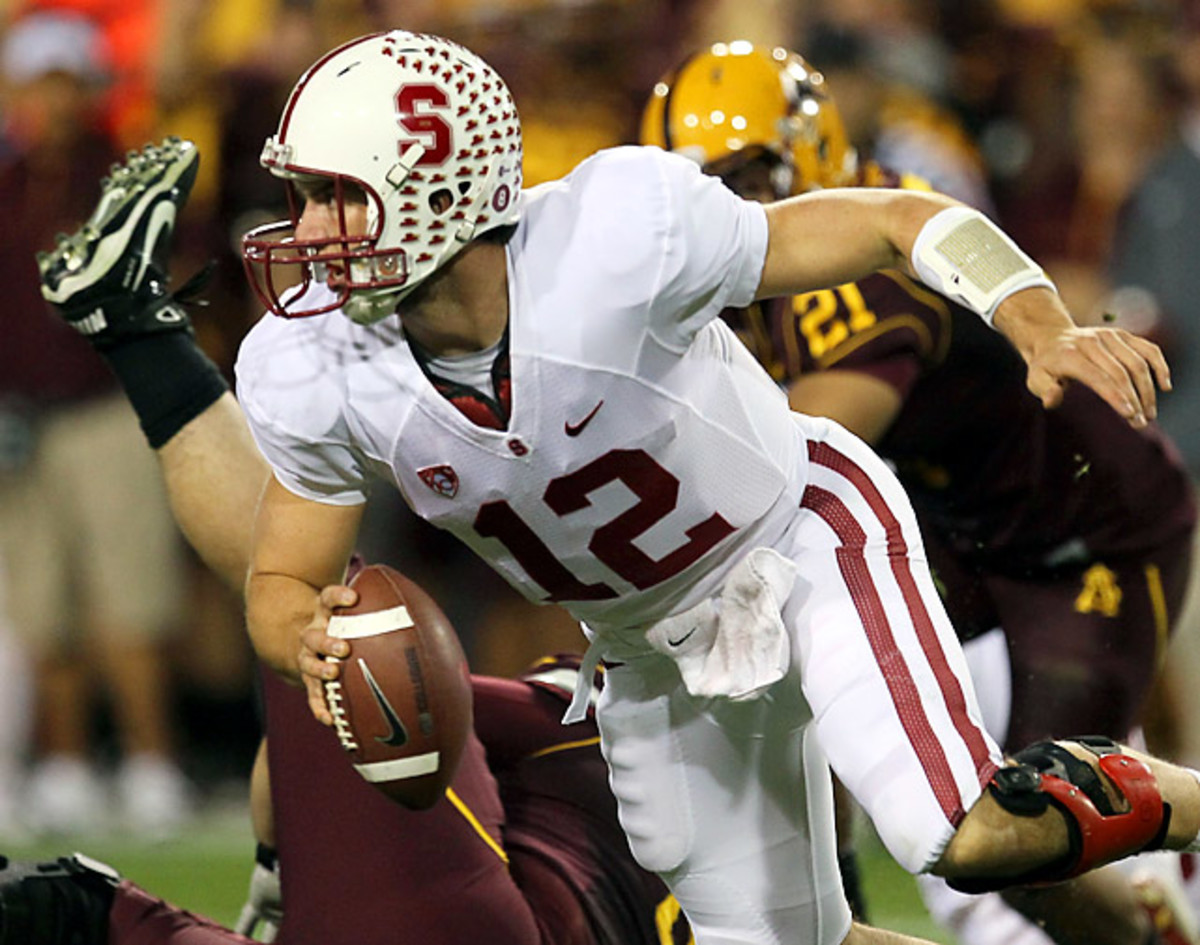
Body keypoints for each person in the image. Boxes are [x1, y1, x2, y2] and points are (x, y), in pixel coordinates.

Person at [34, 30, 1200, 945]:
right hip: (648, 650)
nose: (310, 233)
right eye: (306, 197)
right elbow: (281, 576)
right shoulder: (312, 363)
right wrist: (313, 643)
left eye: (341, 196)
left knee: (968, 834)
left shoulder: (615, 234)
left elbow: (893, 222)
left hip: (797, 538)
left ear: (440, 190)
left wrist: (1034, 317)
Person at [639, 40, 1200, 945]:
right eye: (699, 184)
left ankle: (1160, 926)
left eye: (744, 176)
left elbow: (796, 452)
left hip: (1083, 536)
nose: (724, 207)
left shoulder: (851, 264)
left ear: (806, 153)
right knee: (812, 702)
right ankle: (840, 905)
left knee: (1028, 828)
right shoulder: (775, 247)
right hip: (963, 529)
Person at [0, 8, 192, 836]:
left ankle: (153, 763)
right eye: (39, 81)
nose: (53, 99)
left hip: (110, 406)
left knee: (132, 602)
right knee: (44, 610)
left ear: (90, 85)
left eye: (66, 80)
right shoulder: (5, 185)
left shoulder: (125, 178)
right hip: (20, 421)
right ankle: (67, 763)